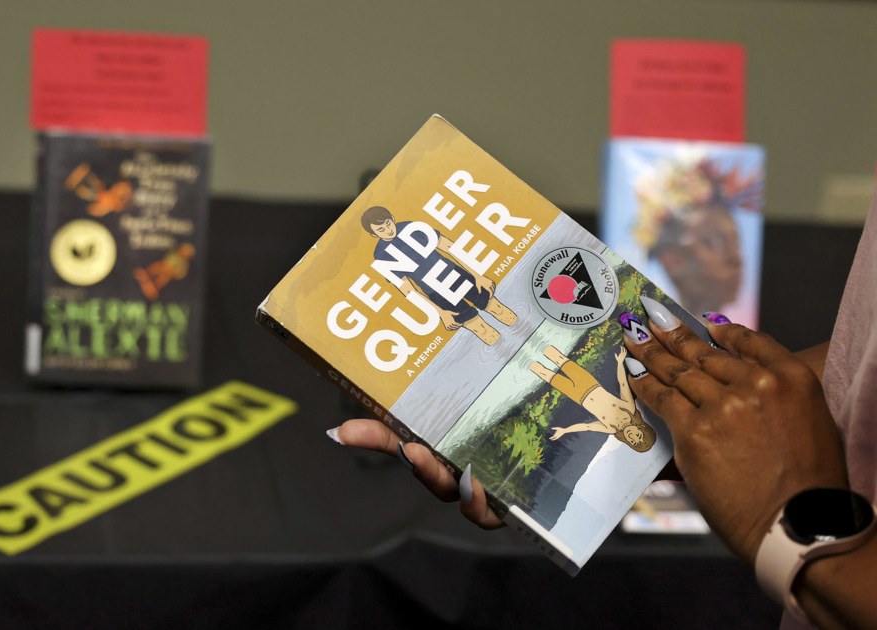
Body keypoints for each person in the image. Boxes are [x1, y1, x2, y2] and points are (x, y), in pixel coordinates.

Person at [333, 196, 877, 628]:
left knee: (536, 355)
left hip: (820, 553)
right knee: (539, 363)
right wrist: (715, 415)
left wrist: (786, 528)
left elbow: (592, 417)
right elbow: (863, 368)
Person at [362, 205, 517, 345]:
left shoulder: (412, 227)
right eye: (381, 229)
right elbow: (408, 290)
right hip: (436, 293)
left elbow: (449, 246)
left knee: (498, 309)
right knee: (481, 330)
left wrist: (478, 275)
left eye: (388, 223)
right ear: (373, 234)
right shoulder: (381, 256)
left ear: (392, 218)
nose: (388, 230)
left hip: (455, 274)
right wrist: (440, 313)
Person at [632, 157, 761, 317]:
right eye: (715, 243)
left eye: (736, 242)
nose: (736, 259)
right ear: (673, 261)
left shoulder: (743, 332)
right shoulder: (634, 326)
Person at [530, 344, 656, 453]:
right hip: (590, 384)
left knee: (546, 374)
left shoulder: (611, 428)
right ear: (642, 427)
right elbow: (623, 384)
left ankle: (528, 362)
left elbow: (587, 426)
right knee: (560, 359)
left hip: (578, 396)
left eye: (633, 441)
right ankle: (534, 343)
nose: (632, 436)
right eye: (638, 435)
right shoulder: (629, 409)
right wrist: (619, 363)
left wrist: (565, 430)